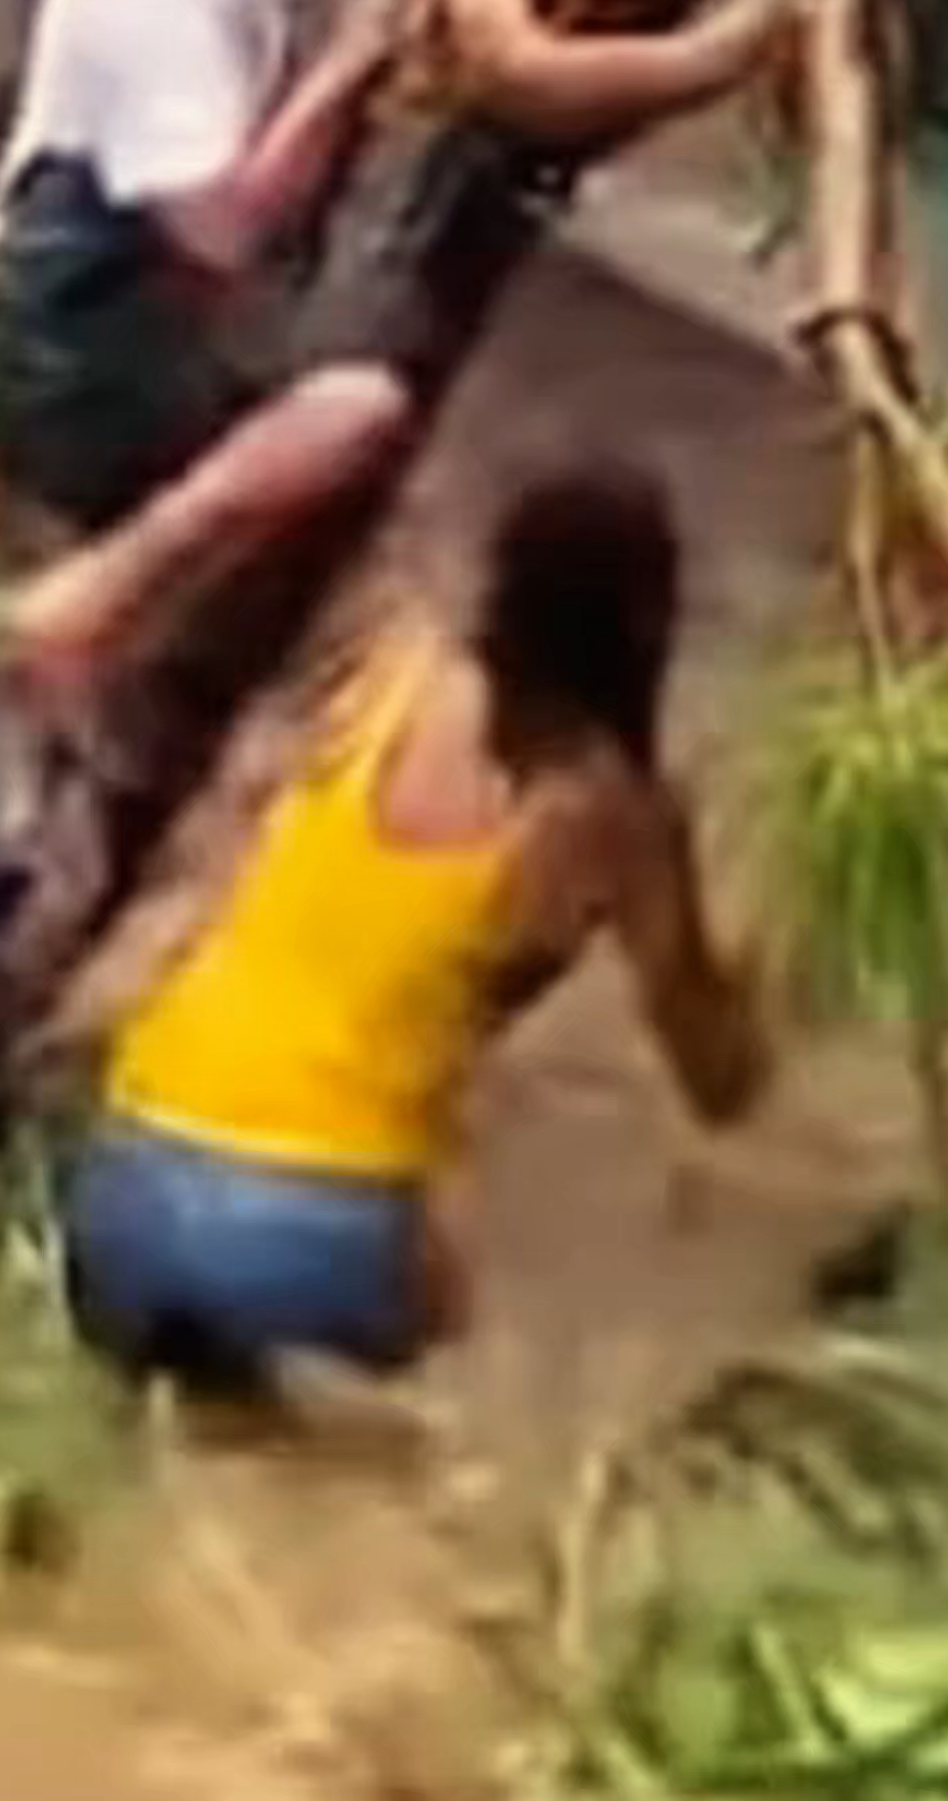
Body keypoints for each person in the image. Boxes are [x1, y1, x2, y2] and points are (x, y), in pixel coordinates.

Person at [0, 0, 816, 706]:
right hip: (77, 341)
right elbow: (222, 232)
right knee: (355, 409)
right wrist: (357, 57)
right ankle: (109, 585)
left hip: (167, 295)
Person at [57, 456, 768, 1399]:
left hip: (123, 1174)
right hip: (307, 1225)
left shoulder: (392, 667)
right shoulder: (613, 810)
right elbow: (719, 1085)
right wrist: (773, 973)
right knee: (460, 1340)